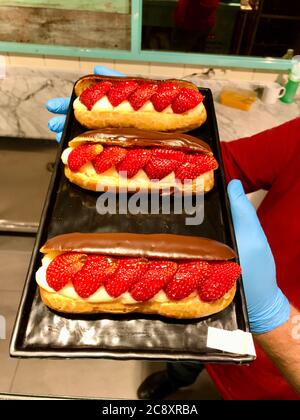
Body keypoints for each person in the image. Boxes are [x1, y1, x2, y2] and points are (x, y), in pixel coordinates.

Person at [46, 66, 300, 400]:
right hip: (211, 289)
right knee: (187, 358)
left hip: (275, 383)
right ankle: (175, 379)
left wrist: (276, 319)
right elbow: (223, 164)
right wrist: (140, 128)